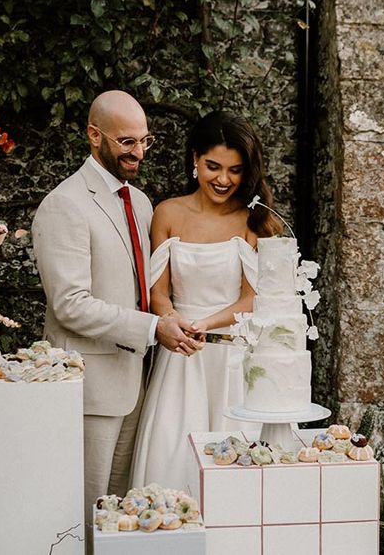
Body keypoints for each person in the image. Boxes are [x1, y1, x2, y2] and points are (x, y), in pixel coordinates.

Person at [31, 90, 200, 545]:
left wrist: (173, 316)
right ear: (94, 136)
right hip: (88, 387)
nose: (139, 152)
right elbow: (70, 303)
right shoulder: (63, 204)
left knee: (119, 515)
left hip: (135, 381)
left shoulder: (141, 203)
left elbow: (143, 287)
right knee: (83, 515)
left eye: (145, 141)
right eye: (127, 141)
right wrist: (151, 328)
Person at [129, 110, 281, 492]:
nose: (224, 179)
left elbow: (251, 299)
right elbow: (157, 291)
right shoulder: (168, 213)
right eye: (214, 166)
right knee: (171, 454)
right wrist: (172, 321)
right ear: (195, 159)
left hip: (232, 359)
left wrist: (205, 325)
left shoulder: (254, 220)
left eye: (235, 170)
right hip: (180, 356)